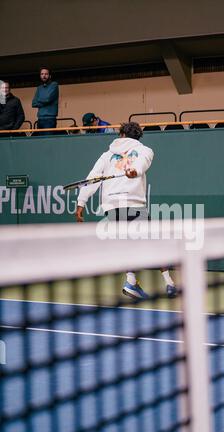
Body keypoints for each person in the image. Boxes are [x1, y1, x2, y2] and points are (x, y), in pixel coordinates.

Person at [76, 121, 177, 300]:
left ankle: (131, 281)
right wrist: (135, 170)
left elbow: (92, 178)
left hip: (113, 207)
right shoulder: (146, 150)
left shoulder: (106, 156)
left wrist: (81, 202)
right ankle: (169, 282)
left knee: (127, 244)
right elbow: (143, 162)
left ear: (121, 134)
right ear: (138, 136)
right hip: (134, 204)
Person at [32, 67, 59, 134]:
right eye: (42, 74)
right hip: (40, 119)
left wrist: (40, 100)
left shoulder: (54, 85)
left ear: (50, 76)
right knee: (41, 142)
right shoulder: (39, 88)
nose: (44, 76)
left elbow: (48, 99)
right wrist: (44, 101)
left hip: (50, 119)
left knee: (48, 142)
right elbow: (34, 103)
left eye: (46, 74)